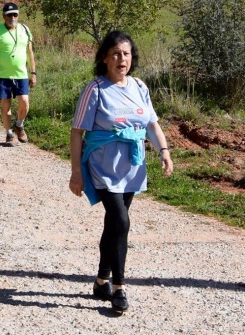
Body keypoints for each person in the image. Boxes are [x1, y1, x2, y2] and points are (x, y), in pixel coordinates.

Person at [68, 31, 174, 315]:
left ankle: (101, 280)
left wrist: (164, 151)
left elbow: (151, 124)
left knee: (114, 224)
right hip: (102, 167)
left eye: (126, 54)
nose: (121, 59)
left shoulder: (139, 86)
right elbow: (77, 132)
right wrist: (76, 171)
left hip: (132, 168)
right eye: (115, 53)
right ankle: (119, 287)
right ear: (104, 58)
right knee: (122, 221)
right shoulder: (96, 89)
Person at [0, 2, 36, 146]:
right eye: (9, 15)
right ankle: (9, 133)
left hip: (21, 74)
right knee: (6, 104)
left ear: (18, 15)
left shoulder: (25, 30)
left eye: (15, 14)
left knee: (24, 101)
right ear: (3, 16)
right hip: (2, 75)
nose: (12, 17)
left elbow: (30, 53)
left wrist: (33, 73)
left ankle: (19, 125)